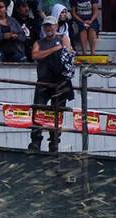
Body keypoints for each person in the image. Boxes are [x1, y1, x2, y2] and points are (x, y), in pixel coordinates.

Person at [29, 15, 74, 152]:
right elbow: (35, 55)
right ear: (43, 27)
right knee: (38, 109)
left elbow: (68, 52)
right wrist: (54, 49)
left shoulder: (63, 37)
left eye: (51, 25)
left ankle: (54, 141)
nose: (49, 28)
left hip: (59, 81)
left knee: (57, 112)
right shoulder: (39, 42)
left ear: (56, 26)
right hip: (43, 80)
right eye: (46, 25)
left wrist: (58, 49)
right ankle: (36, 141)